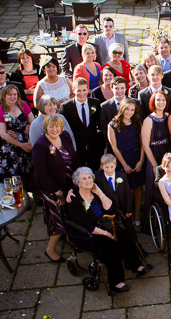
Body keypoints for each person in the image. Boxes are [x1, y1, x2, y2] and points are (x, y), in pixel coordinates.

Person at [66, 167, 150, 296]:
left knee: (125, 236)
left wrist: (99, 193)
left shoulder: (95, 191)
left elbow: (110, 209)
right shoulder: (74, 199)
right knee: (110, 248)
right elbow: (86, 225)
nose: (88, 180)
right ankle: (116, 283)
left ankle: (135, 265)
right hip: (88, 234)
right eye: (84, 178)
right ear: (78, 183)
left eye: (89, 177)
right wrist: (106, 233)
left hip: (104, 225)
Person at [32, 114, 77, 263]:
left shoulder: (64, 136)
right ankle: (50, 250)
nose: (54, 129)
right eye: (51, 127)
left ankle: (70, 240)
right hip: (52, 187)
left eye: (57, 126)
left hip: (69, 183)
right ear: (46, 128)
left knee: (70, 214)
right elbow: (41, 174)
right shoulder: (41, 145)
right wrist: (57, 192)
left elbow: (74, 157)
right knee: (57, 219)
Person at [107, 98, 146, 225]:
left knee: (138, 186)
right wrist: (124, 165)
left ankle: (138, 214)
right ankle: (127, 213)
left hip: (136, 157)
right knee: (126, 188)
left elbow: (142, 144)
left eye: (132, 110)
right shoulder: (112, 125)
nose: (129, 112)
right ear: (122, 109)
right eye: (127, 109)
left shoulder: (137, 123)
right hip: (122, 159)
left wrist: (140, 161)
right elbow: (114, 147)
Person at [93, 154, 139, 244]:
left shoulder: (122, 176)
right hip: (109, 210)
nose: (109, 170)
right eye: (106, 167)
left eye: (111, 167)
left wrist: (129, 209)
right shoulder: (97, 177)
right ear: (102, 166)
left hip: (123, 208)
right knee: (113, 230)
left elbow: (128, 194)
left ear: (115, 165)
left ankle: (135, 245)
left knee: (129, 229)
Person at [61, 78, 104, 170]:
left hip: (94, 147)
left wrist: (100, 144)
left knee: (94, 172)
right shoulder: (66, 107)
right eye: (78, 90)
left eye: (84, 90)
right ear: (73, 90)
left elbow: (99, 124)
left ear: (88, 89)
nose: (81, 93)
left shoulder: (95, 103)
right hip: (77, 147)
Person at [0, 85, 35, 182]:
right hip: (12, 146)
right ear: (4, 96)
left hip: (27, 142)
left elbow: (33, 122)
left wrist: (29, 142)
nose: (13, 97)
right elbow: (3, 134)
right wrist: (21, 145)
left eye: (15, 94)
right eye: (10, 95)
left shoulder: (23, 105)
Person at [142, 91, 171, 212]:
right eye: (158, 100)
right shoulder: (148, 120)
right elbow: (145, 145)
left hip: (167, 153)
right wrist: (155, 165)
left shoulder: (168, 116)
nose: (161, 102)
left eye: (163, 100)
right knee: (154, 187)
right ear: (153, 102)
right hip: (154, 155)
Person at [99, 78, 139, 143]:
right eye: (116, 88)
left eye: (122, 88)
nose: (119, 91)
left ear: (126, 88)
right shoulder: (105, 106)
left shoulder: (136, 103)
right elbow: (104, 128)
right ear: (111, 88)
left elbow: (139, 123)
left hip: (135, 144)